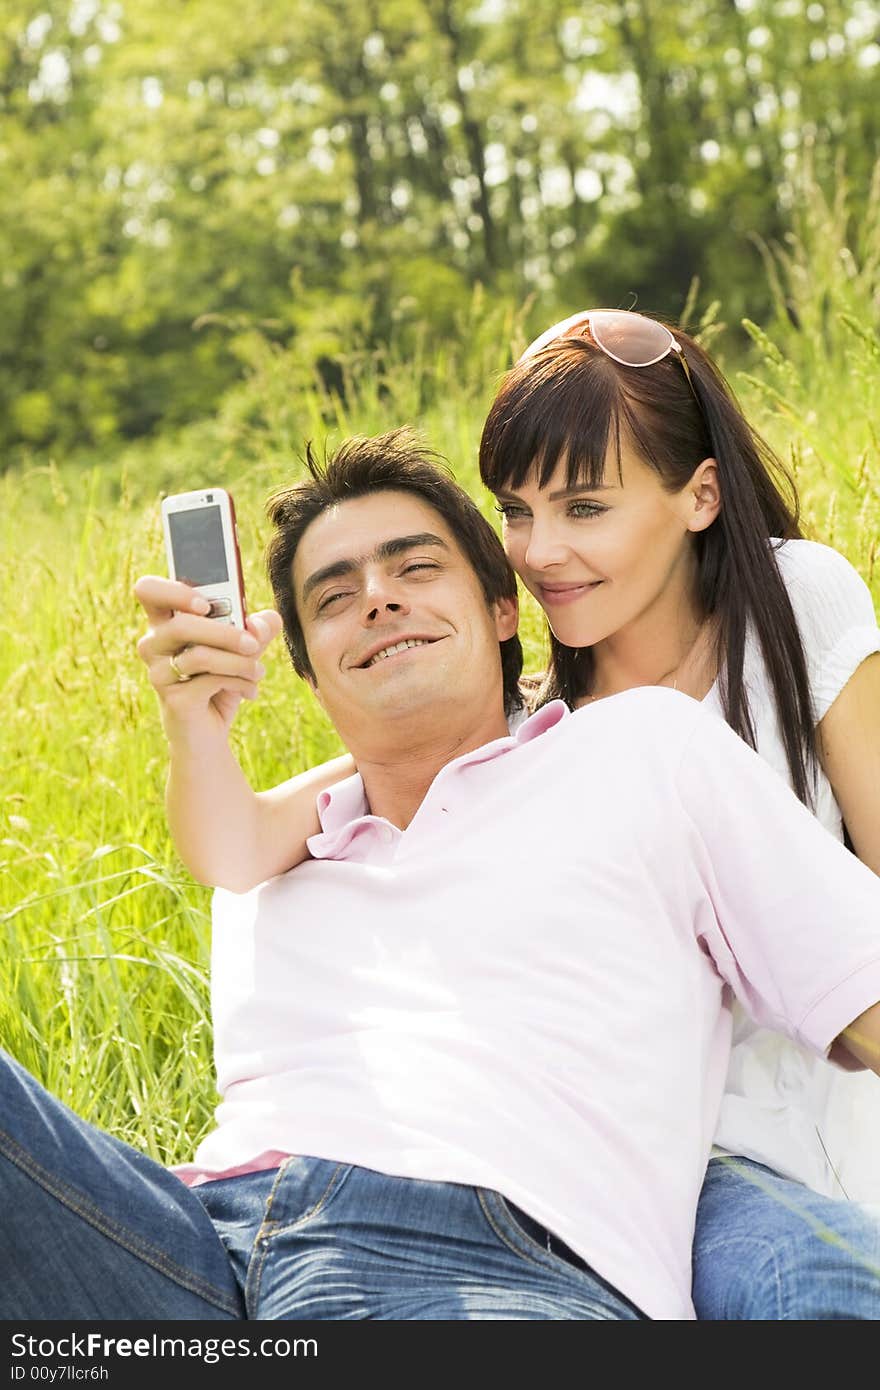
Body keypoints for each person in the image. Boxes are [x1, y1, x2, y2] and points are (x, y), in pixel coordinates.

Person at [8, 428, 877, 1322]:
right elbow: (222, 839)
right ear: (307, 669)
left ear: (505, 609)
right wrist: (194, 717)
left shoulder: (648, 752)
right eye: (335, 597)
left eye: (415, 569)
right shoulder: (269, 856)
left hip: (492, 1258)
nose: (377, 601)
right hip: (199, 1242)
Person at [475, 307, 880, 1317]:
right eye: (515, 511)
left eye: (582, 508)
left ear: (698, 495)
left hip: (841, 1111)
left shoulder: (795, 604)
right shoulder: (540, 727)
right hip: (675, 1181)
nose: (538, 551)